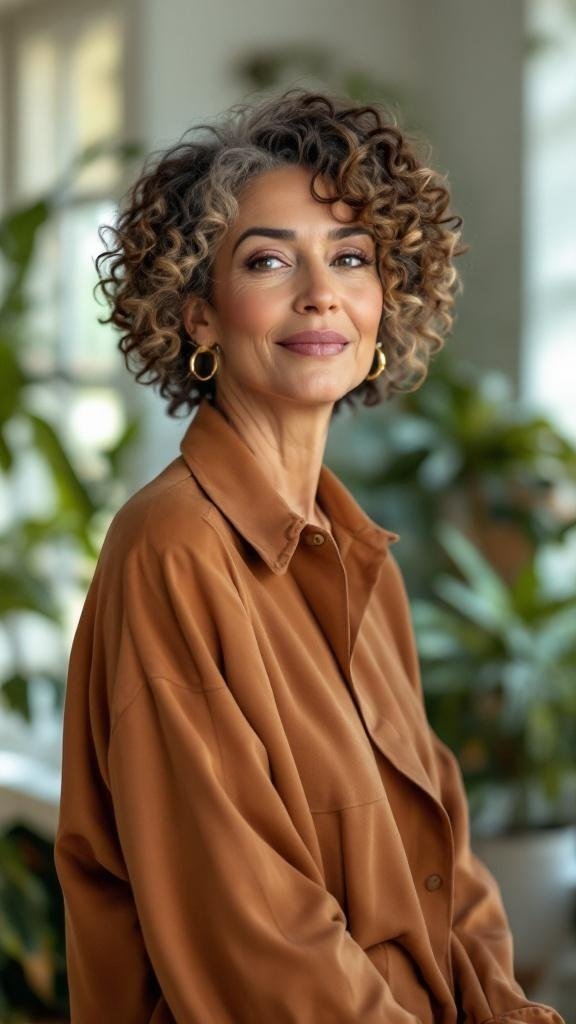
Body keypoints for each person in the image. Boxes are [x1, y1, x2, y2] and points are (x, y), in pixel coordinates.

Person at [54, 89, 565, 1024]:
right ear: (197, 314)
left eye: (352, 258)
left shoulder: (360, 554)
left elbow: (444, 865)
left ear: (385, 305)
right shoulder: (171, 550)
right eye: (268, 260)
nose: (320, 291)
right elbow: (254, 942)